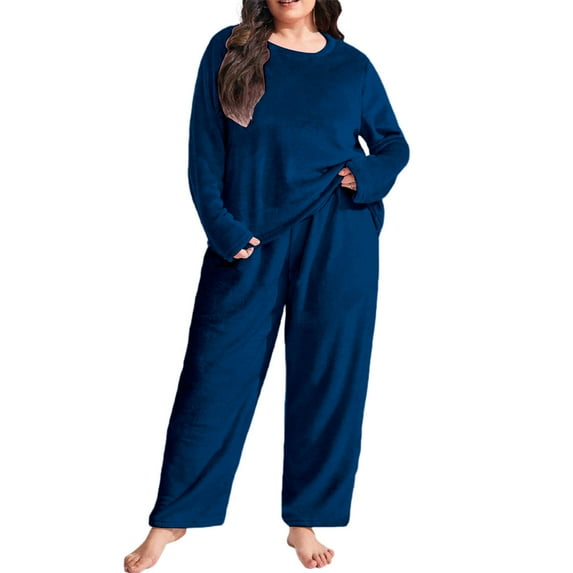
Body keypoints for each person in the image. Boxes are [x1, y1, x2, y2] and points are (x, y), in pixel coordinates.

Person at [124, 0, 409, 570]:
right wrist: (222, 228)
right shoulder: (231, 48)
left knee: (328, 377)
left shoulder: (352, 65)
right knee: (215, 376)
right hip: (248, 237)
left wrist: (364, 175)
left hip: (338, 234)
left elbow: (393, 144)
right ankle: (173, 516)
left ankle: (305, 519)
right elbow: (205, 148)